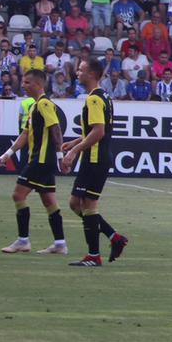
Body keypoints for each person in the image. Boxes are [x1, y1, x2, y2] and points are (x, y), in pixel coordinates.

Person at [58, 58, 128, 266]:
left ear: (91, 74)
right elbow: (95, 131)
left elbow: (99, 131)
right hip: (96, 157)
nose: (77, 73)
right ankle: (114, 238)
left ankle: (93, 255)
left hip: (96, 158)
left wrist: (74, 153)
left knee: (86, 204)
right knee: (76, 203)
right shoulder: (103, 96)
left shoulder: (94, 99)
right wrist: (75, 142)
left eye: (81, 70)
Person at [0, 69, 67, 255]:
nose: (23, 85)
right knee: (49, 200)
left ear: (38, 85)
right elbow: (26, 133)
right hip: (42, 160)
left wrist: (61, 156)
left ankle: (23, 241)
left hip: (42, 160)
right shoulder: (35, 106)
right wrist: (8, 153)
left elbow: (56, 129)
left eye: (27, 82)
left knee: (18, 195)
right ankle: (60, 244)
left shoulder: (44, 103)